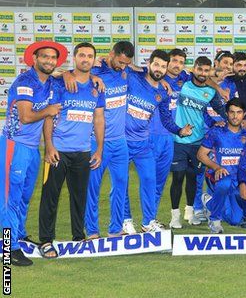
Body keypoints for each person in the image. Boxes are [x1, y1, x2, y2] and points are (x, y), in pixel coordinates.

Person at [1, 41, 65, 266]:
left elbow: (49, 118)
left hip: (32, 149)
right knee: (10, 199)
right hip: (13, 146)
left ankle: (18, 234)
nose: (49, 61)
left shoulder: (51, 84)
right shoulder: (25, 81)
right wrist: (48, 109)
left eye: (53, 58)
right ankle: (9, 249)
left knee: (25, 196)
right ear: (35, 59)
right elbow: (27, 116)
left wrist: (48, 146)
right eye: (45, 57)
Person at [38, 42, 105, 258]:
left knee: (79, 198)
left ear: (94, 61)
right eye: (82, 55)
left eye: (90, 56)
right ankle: (46, 241)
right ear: (75, 58)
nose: (86, 59)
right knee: (50, 197)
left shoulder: (97, 87)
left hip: (83, 152)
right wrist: (49, 145)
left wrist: (99, 150)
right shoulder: (59, 83)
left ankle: (79, 237)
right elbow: (49, 115)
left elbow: (98, 119)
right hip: (58, 151)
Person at [123, 50, 193, 233]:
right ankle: (125, 219)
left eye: (180, 62)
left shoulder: (181, 79)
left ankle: (149, 220)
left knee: (157, 182)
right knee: (128, 178)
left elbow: (204, 77)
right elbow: (127, 66)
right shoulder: (148, 78)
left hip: (168, 138)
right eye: (173, 61)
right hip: (147, 137)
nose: (176, 65)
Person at [168, 55, 226, 227]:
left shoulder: (211, 92)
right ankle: (174, 217)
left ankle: (190, 212)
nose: (202, 73)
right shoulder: (183, 81)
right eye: (199, 69)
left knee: (192, 178)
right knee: (178, 178)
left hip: (198, 140)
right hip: (179, 140)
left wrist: (226, 121)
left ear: (209, 72)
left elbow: (221, 109)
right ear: (194, 68)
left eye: (206, 70)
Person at [85, 41, 135, 237]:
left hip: (120, 142)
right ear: (111, 53)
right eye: (120, 62)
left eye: (126, 64)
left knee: (121, 186)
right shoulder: (96, 70)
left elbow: (145, 73)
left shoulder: (126, 71)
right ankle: (92, 230)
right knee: (92, 188)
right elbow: (67, 74)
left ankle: (115, 229)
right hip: (97, 142)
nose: (123, 67)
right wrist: (91, 75)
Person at [197, 98, 246, 233]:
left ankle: (209, 202)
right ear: (226, 113)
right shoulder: (216, 131)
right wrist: (216, 167)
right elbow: (201, 155)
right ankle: (215, 221)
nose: (235, 116)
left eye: (239, 112)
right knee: (224, 183)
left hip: (237, 180)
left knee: (234, 220)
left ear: (244, 114)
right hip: (218, 176)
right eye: (232, 112)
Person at [230, 52, 246, 123]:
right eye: (239, 65)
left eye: (245, 65)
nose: (242, 68)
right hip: (231, 123)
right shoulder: (226, 81)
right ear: (232, 65)